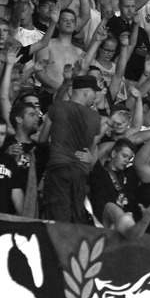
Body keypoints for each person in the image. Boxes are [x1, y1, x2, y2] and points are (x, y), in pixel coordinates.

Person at [39, 75, 104, 223]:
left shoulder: (57, 107)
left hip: (58, 169)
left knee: (55, 218)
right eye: (94, 92)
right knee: (74, 218)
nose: (95, 96)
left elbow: (42, 138)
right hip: (80, 173)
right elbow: (91, 155)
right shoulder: (96, 117)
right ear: (86, 92)